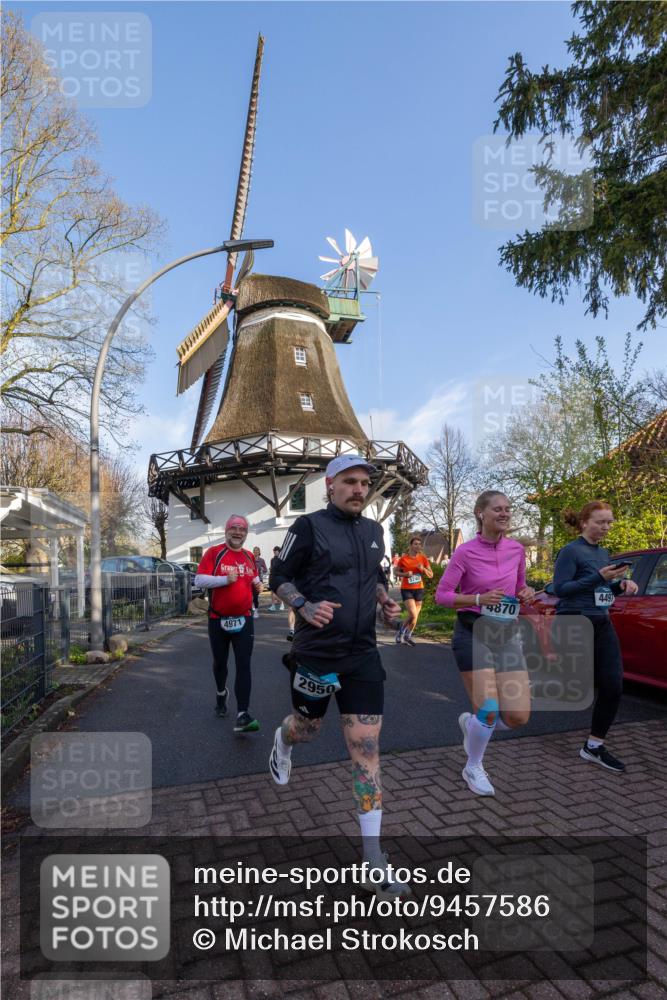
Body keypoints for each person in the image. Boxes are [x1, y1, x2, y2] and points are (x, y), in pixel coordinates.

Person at [267, 454, 408, 899]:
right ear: (329, 485)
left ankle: (373, 858)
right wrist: (303, 605)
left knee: (366, 749)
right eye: (349, 481)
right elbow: (279, 576)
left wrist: (385, 602)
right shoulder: (307, 527)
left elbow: (373, 580)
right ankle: (283, 741)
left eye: (365, 483)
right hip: (316, 653)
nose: (359, 490)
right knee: (306, 728)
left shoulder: (374, 532)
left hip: (363, 655)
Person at [435, 491, 535, 796]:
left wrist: (526, 592)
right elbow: (442, 595)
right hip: (471, 632)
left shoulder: (516, 550)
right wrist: (478, 598)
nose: (504, 514)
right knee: (490, 708)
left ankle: (475, 726)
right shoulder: (465, 552)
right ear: (481, 513)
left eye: (508, 509)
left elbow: (519, 586)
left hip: (505, 635)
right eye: (497, 509)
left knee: (517, 717)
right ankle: (473, 766)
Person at [553, 501, 638, 773]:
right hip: (575, 620)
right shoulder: (570, 551)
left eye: (609, 522)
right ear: (585, 522)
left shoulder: (604, 552)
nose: (606, 527)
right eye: (601, 522)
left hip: (601, 621)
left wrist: (619, 585)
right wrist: (598, 577)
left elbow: (601, 590)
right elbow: (562, 590)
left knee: (613, 685)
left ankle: (593, 746)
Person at [194, 515, 262, 733]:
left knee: (244, 664)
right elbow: (199, 580)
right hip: (217, 619)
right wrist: (224, 580)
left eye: (242, 529)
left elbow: (253, 578)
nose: (238, 532)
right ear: (226, 530)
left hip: (244, 618)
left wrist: (258, 585)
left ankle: (243, 714)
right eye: (233, 528)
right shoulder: (214, 553)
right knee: (220, 664)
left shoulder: (249, 556)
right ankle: (221, 692)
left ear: (246, 533)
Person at [395, 536, 433, 645]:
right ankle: (401, 633)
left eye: (419, 544)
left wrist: (423, 569)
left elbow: (431, 575)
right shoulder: (403, 559)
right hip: (407, 589)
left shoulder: (423, 558)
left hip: (419, 589)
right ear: (411, 545)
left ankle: (408, 635)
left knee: (415, 616)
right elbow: (396, 572)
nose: (418, 546)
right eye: (415, 544)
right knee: (412, 614)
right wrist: (405, 574)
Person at [268, 546, 286, 611]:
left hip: (279, 577)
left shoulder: (282, 559)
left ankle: (282, 604)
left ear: (279, 551)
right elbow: (271, 568)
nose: (275, 552)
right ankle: (273, 606)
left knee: (279, 591)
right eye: (274, 551)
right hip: (272, 577)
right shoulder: (272, 560)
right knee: (272, 592)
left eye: (276, 551)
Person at [252, 546, 268, 618]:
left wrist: (261, 569)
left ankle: (256, 611)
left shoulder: (261, 560)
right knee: (250, 595)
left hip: (258, 580)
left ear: (259, 552)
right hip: (251, 580)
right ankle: (252, 605)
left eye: (257, 551)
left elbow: (265, 570)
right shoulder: (251, 559)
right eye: (254, 551)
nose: (255, 552)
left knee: (255, 596)